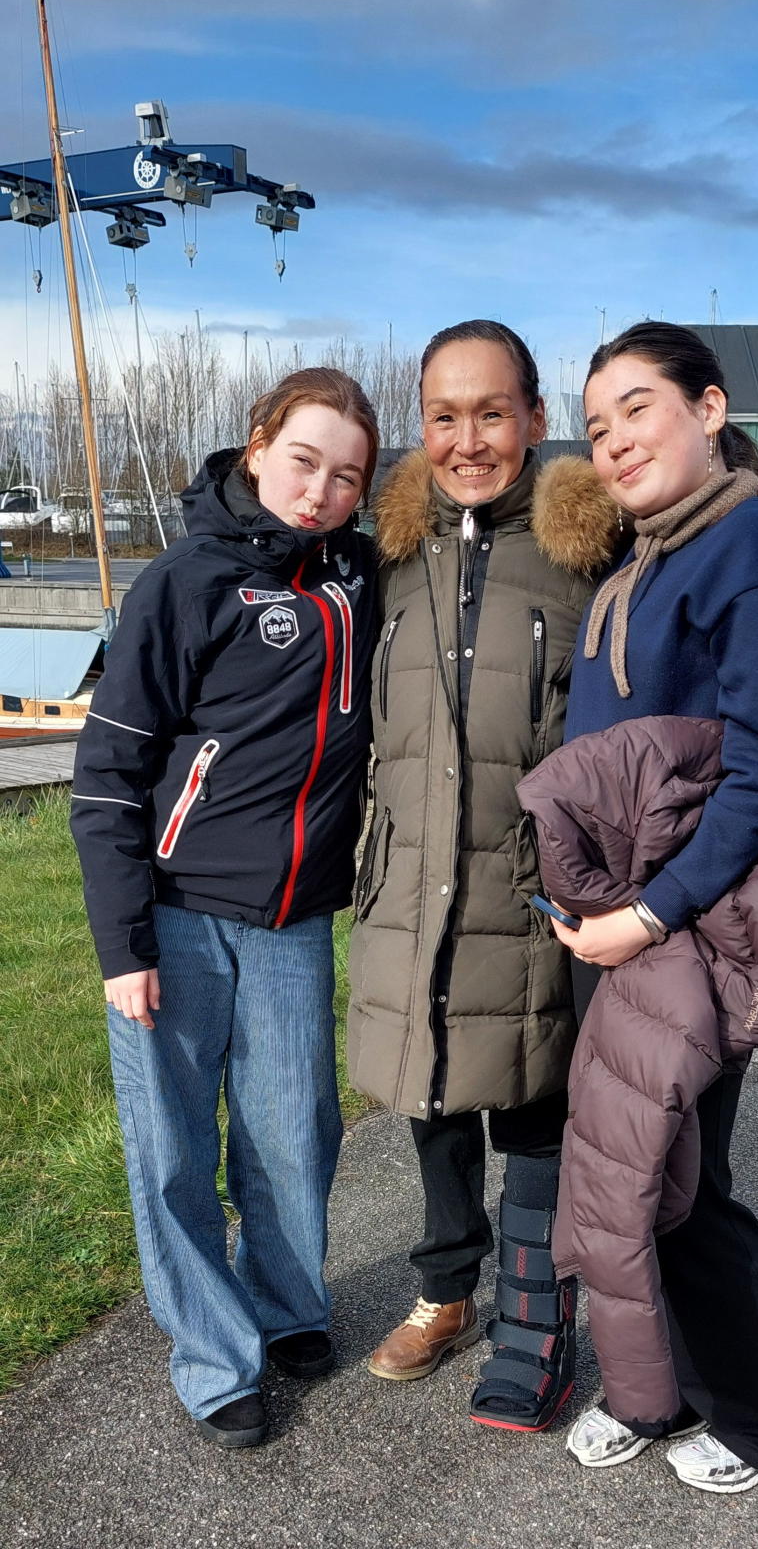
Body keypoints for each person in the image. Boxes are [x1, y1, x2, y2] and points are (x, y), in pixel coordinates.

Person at [551, 322, 758, 1491]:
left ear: (709, 409)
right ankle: (658, 1389)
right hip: (619, 927)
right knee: (631, 1171)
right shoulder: (643, 556)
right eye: (597, 426)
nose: (615, 440)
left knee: (683, 1185)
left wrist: (652, 914)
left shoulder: (751, 550)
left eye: (638, 408)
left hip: (688, 926)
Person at [70, 367, 379, 1448]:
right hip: (174, 918)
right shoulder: (184, 581)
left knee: (295, 1132)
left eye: (347, 477)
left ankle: (288, 1307)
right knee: (171, 1152)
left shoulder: (357, 577)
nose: (320, 491)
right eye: (303, 461)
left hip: (293, 920)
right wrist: (124, 947)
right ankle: (213, 1358)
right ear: (257, 446)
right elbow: (107, 777)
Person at [346, 320, 618, 1430]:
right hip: (411, 881)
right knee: (433, 1093)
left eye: (492, 413)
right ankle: (445, 1290)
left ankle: (532, 1319)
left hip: (531, 885)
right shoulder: (385, 556)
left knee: (537, 1101)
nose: (468, 441)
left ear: (536, 419)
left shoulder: (591, 551)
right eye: (444, 416)